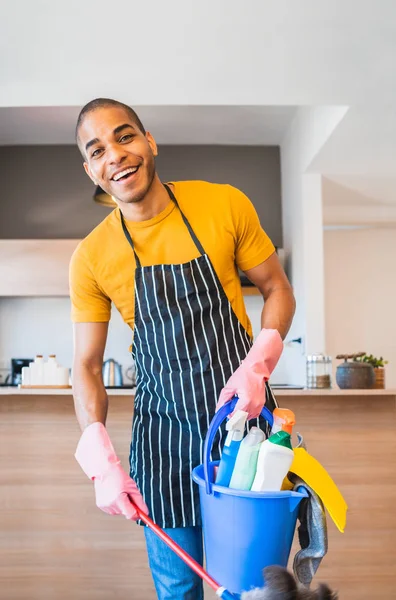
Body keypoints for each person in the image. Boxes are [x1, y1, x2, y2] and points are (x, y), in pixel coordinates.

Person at [70, 97, 296, 600]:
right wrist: (99, 455)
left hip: (245, 429)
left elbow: (277, 288)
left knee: (255, 587)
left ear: (149, 142)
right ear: (91, 170)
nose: (116, 155)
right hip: (162, 442)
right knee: (179, 590)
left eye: (125, 137)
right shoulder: (90, 257)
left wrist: (259, 364)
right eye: (99, 150)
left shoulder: (223, 204)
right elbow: (85, 364)